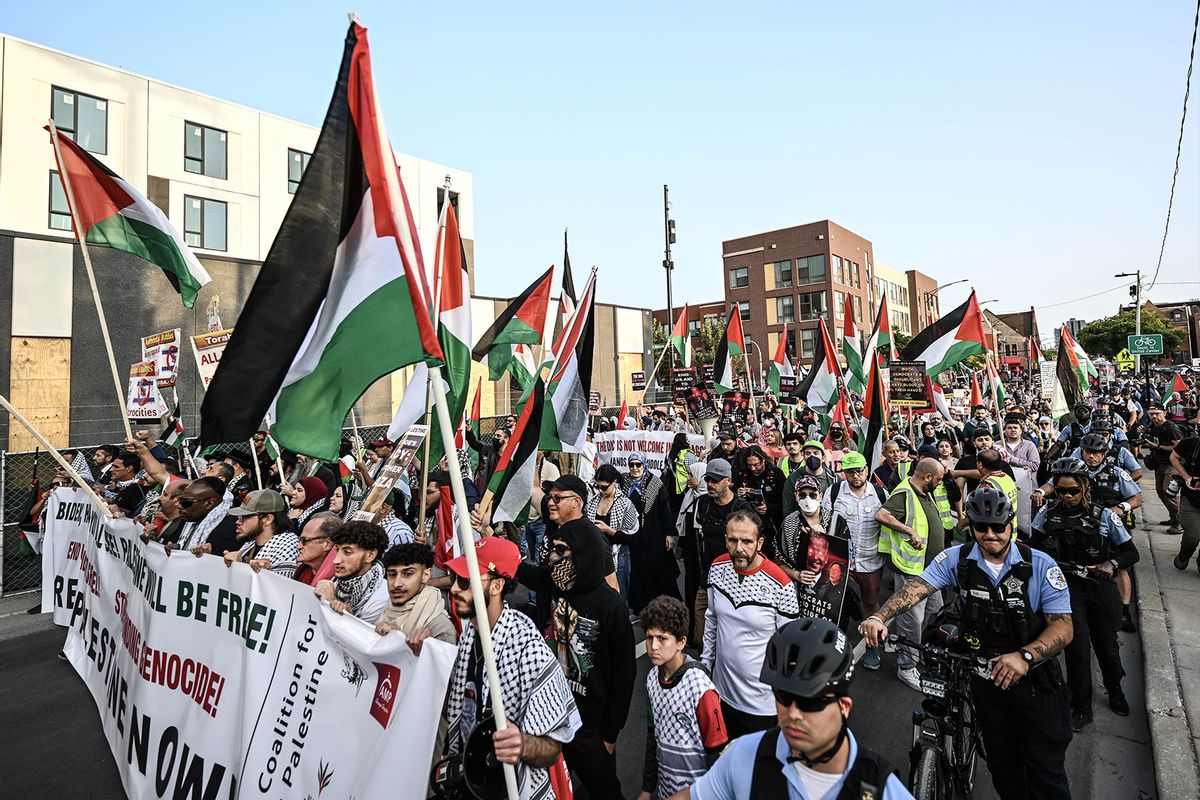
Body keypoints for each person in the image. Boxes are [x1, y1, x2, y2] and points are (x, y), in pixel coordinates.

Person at [861, 487, 1074, 800]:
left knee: (1045, 775)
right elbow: (916, 589)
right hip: (985, 680)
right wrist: (880, 617)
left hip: (1034, 685)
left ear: (1011, 525)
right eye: (981, 527)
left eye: (998, 527)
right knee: (1003, 768)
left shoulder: (1040, 565)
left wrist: (1024, 656)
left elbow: (1064, 627)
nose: (990, 535)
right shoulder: (956, 559)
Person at [674, 617, 911, 800]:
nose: (793, 713)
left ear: (844, 707)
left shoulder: (880, 786)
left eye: (811, 702)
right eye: (784, 697)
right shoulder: (746, 756)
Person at [514, 495, 636, 799]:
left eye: (561, 551)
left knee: (604, 790)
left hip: (591, 727)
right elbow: (522, 572)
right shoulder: (557, 582)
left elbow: (625, 673)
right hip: (553, 715)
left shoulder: (610, 605)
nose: (554, 559)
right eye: (553, 551)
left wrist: (610, 733)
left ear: (582, 554)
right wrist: (488, 536)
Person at [442, 537, 582, 800]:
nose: (453, 589)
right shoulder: (469, 634)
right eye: (453, 577)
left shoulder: (529, 649)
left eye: (465, 581)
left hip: (516, 789)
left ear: (496, 586)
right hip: (474, 780)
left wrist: (522, 744)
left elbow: (552, 748)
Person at [1031, 458, 1139, 730]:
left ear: (1084, 488)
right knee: (1076, 649)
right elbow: (1031, 547)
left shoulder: (1104, 516)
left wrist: (1110, 564)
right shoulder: (1047, 513)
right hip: (1066, 589)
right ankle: (1081, 703)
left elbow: (1130, 552)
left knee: (1107, 646)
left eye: (1073, 491)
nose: (1067, 497)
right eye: (1061, 490)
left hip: (1099, 588)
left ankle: (1115, 690)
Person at [702, 511, 800, 738]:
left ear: (759, 543)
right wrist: (706, 663)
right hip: (721, 695)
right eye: (733, 540)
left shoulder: (781, 584)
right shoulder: (716, 568)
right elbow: (711, 619)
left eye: (747, 541)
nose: (739, 548)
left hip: (761, 706)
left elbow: (788, 646)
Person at [638, 595, 729, 800]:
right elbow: (653, 737)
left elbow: (717, 753)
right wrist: (647, 787)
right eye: (649, 637)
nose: (653, 646)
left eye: (662, 639)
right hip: (665, 790)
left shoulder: (699, 686)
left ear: (681, 642)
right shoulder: (652, 678)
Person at [873, 458, 948, 692]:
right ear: (927, 477)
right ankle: (906, 666)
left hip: (931, 571)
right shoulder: (904, 493)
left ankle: (909, 647)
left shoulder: (923, 491)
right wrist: (909, 531)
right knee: (911, 621)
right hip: (912, 571)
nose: (939, 483)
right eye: (938, 479)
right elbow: (882, 515)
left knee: (935, 612)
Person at [821, 451, 887, 668]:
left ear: (866, 470)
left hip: (871, 562)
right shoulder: (833, 492)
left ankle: (872, 647)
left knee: (870, 605)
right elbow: (824, 523)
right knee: (836, 606)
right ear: (844, 473)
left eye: (859, 471)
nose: (855, 476)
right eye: (850, 472)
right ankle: (834, 649)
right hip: (841, 563)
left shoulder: (880, 493)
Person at [680, 459, 752, 643]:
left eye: (715, 480)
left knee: (728, 636)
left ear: (728, 481)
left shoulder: (740, 507)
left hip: (734, 581)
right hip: (707, 579)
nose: (710, 484)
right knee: (701, 636)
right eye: (708, 479)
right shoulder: (703, 503)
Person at [626, 452, 681, 611]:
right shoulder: (625, 483)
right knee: (639, 570)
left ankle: (665, 607)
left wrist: (669, 533)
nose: (635, 468)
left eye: (638, 465)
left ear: (644, 465)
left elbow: (665, 510)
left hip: (655, 534)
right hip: (634, 536)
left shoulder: (655, 483)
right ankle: (642, 606)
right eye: (632, 465)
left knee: (658, 570)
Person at [374, 542, 457, 646]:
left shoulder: (439, 628)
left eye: (408, 574)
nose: (396, 583)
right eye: (392, 574)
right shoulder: (385, 613)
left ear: (426, 575)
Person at [314, 520, 389, 624]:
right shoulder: (336, 583)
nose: (336, 560)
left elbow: (356, 637)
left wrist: (330, 602)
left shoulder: (382, 597)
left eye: (347, 552)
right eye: (337, 550)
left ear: (370, 555)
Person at [588, 464, 640, 599]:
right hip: (596, 555)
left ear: (614, 482)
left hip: (619, 555)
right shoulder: (593, 501)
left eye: (604, 487)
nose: (600, 491)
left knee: (618, 596)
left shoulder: (625, 504)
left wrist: (607, 530)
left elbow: (632, 537)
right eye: (597, 486)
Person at [224, 489, 299, 576]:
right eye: (239, 517)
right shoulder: (252, 541)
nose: (238, 522)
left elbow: (279, 587)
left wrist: (241, 568)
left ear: (268, 519)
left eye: (244, 517)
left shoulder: (287, 548)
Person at [1143, 402, 1184, 533]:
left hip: (1172, 465)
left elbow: (1179, 447)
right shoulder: (1153, 426)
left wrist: (1159, 447)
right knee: (1160, 493)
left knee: (1169, 493)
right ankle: (1173, 517)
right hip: (1158, 463)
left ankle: (1180, 522)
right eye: (1151, 414)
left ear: (1164, 413)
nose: (1154, 416)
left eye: (1157, 414)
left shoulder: (1170, 427)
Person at [736, 447, 786, 547]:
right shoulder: (744, 475)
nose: (753, 468)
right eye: (749, 465)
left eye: (756, 465)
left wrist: (769, 508)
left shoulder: (776, 474)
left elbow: (785, 500)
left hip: (773, 523)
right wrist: (739, 494)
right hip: (750, 523)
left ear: (763, 460)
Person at [175, 477, 238, 555]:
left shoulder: (229, 529)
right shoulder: (188, 516)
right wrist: (175, 550)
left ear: (209, 503)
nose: (179, 506)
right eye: (180, 500)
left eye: (186, 502)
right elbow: (178, 544)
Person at [1169, 431, 1200, 573]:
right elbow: (1174, 457)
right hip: (1191, 499)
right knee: (1193, 536)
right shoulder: (1191, 443)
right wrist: (1186, 476)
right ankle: (1185, 553)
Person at [782, 440, 837, 517]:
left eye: (816, 453)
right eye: (808, 453)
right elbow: (788, 509)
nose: (812, 456)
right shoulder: (793, 479)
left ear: (823, 457)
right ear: (803, 456)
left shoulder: (834, 478)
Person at [292, 512, 340, 585]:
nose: (299, 546)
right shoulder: (301, 570)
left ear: (327, 544)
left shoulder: (337, 580)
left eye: (305, 540)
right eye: (300, 540)